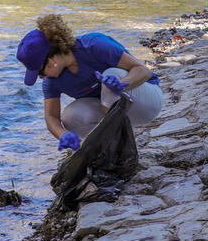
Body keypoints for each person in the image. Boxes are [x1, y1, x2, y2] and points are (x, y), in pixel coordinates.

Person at [16, 14, 163, 152]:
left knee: (111, 75)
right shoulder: (52, 82)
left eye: (40, 72)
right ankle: (108, 146)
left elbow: (143, 71)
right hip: (119, 117)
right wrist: (63, 135)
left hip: (146, 102)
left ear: (52, 60)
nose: (41, 77)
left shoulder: (94, 45)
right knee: (70, 116)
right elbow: (51, 117)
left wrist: (122, 84)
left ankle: (118, 140)